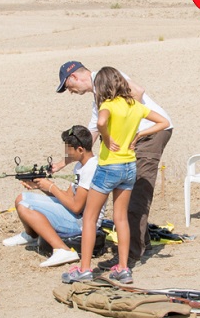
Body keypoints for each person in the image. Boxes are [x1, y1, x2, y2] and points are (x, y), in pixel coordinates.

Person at [56, 60, 174, 266]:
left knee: (136, 192)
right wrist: (62, 163)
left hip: (150, 134)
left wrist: (130, 128)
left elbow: (137, 92)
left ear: (74, 76)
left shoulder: (107, 77)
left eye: (68, 87)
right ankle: (139, 241)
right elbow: (91, 135)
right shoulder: (99, 99)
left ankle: (129, 256)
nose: (70, 92)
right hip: (134, 137)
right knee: (127, 193)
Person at [3, 125, 102, 268]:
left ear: (80, 150)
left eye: (68, 150)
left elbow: (76, 207)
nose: (66, 154)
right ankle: (31, 235)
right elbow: (68, 197)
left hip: (83, 223)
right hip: (75, 215)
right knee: (21, 198)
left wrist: (51, 187)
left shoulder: (90, 169)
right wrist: (42, 187)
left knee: (25, 208)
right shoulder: (80, 166)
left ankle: (63, 249)